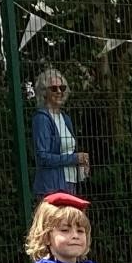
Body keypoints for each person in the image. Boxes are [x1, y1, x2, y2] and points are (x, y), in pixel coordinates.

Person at [31, 68, 89, 199]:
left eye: (62, 88)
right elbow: (43, 157)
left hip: (70, 183)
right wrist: (74, 158)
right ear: (44, 92)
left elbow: (69, 151)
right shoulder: (42, 118)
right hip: (52, 186)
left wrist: (81, 162)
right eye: (53, 88)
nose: (59, 92)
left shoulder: (65, 118)